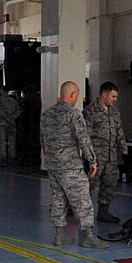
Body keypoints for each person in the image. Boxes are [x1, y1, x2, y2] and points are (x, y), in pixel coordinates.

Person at [41, 81, 104, 248]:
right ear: (72, 95)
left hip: (53, 165)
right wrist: (92, 161)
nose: (76, 99)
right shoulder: (73, 114)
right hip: (70, 165)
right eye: (76, 96)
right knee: (82, 199)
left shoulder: (46, 115)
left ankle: (59, 235)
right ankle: (89, 236)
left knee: (58, 198)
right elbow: (83, 139)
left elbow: (43, 141)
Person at [85, 82, 126, 224]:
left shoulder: (115, 112)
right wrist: (89, 158)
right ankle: (82, 213)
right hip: (96, 157)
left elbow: (119, 131)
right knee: (88, 185)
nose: (115, 100)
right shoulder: (90, 112)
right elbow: (86, 137)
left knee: (110, 185)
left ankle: (103, 212)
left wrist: (124, 150)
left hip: (111, 156)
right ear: (104, 94)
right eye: (113, 96)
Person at [0, 87, 22, 165]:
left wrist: (7, 118)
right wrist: (12, 118)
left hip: (2, 124)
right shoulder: (13, 101)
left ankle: (3, 161)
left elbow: (0, 111)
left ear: (2, 91)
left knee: (2, 142)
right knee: (12, 142)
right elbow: (18, 111)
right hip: (12, 123)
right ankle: (12, 159)